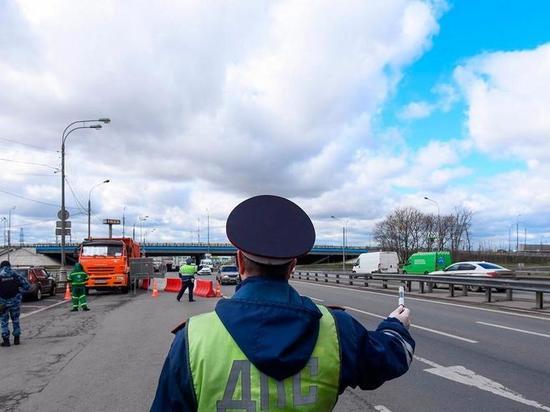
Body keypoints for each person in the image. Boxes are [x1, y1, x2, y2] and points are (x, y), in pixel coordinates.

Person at [151, 195, 414, 411]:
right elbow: (389, 358)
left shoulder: (193, 339)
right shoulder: (336, 330)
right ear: (292, 266)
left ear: (240, 262)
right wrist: (395, 326)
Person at [0, 260, 30, 347]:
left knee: (4, 321)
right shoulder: (16, 275)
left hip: (2, 303)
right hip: (15, 302)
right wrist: (19, 293)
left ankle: (6, 341)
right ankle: (17, 339)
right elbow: (27, 286)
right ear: (10, 266)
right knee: (15, 320)